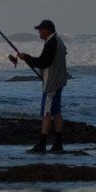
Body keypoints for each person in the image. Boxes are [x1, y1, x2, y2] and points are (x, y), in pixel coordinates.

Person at [16, 19, 67, 153]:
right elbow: (55, 59)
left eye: (40, 29)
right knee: (56, 113)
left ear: (47, 30)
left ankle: (42, 144)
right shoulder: (59, 41)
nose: (38, 32)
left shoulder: (51, 43)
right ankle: (58, 143)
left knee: (46, 113)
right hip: (59, 81)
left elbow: (44, 62)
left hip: (51, 84)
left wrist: (26, 57)